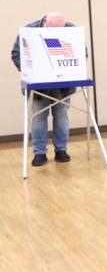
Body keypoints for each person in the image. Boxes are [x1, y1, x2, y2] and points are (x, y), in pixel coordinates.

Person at [11, 12, 76, 167]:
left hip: (62, 84)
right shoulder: (29, 30)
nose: (54, 33)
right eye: (51, 29)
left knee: (61, 114)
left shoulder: (71, 29)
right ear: (44, 21)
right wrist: (30, 70)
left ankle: (61, 150)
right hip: (37, 83)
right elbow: (16, 53)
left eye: (58, 30)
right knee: (39, 117)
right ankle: (39, 153)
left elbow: (82, 53)